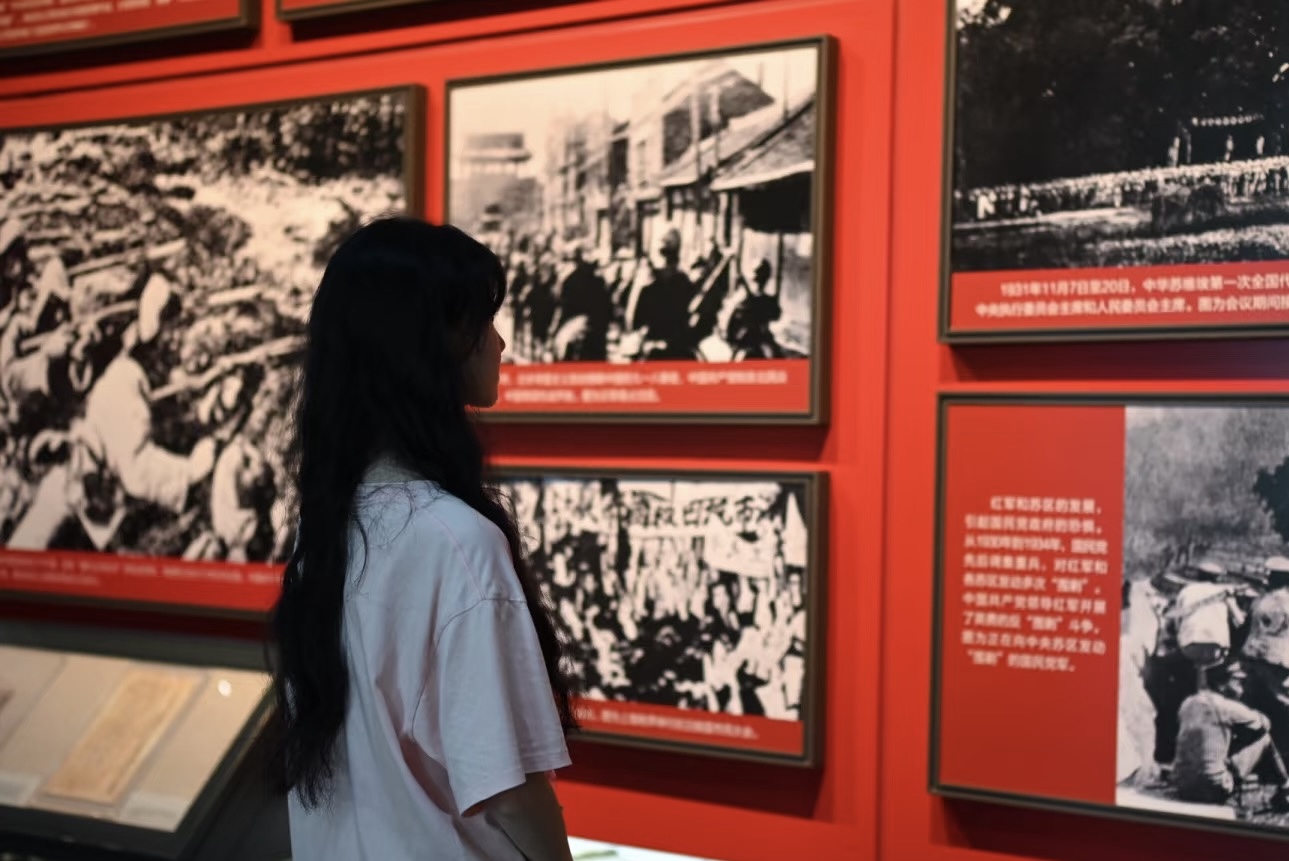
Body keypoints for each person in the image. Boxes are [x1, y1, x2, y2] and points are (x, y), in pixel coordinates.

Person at [267, 216, 580, 861]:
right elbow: (509, 793)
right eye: (482, 322)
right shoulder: (454, 541)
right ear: (433, 343)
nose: (500, 343)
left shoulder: (329, 523)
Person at [1173, 664, 1289, 812]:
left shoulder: (1187, 703)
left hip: (1182, 786)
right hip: (1213, 788)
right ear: (1221, 684)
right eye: (1237, 681)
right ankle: (1286, 789)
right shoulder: (1227, 707)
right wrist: (1243, 732)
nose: (1241, 687)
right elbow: (1265, 724)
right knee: (1264, 738)